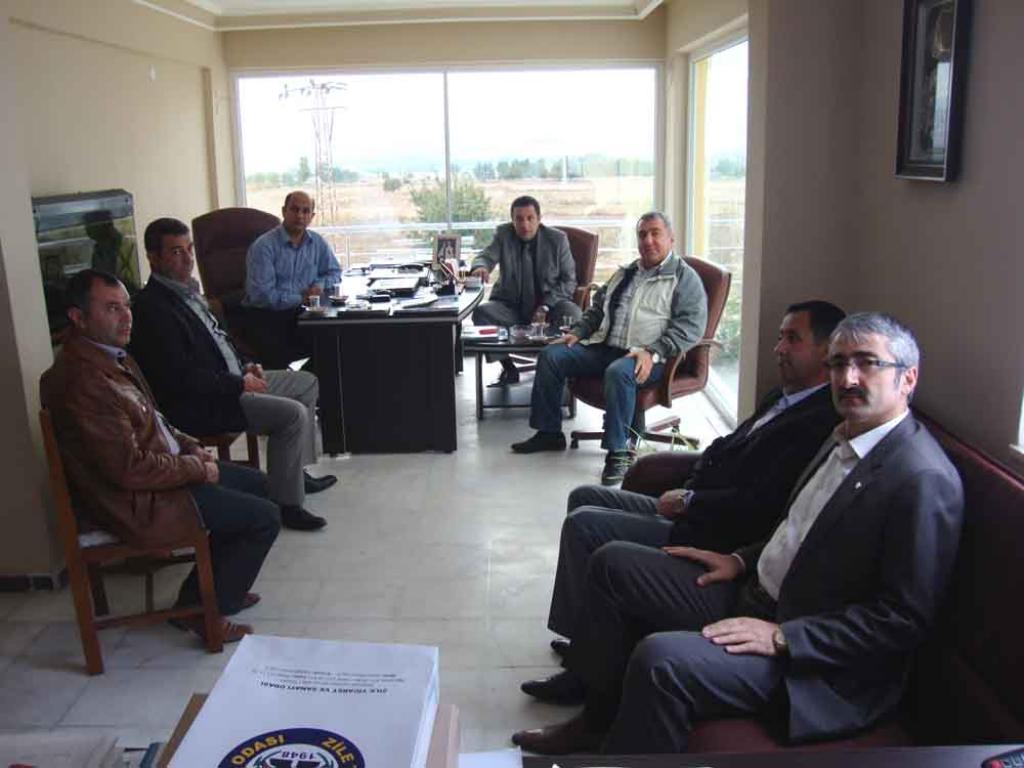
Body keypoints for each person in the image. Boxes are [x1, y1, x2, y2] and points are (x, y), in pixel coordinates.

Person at [511, 312, 964, 754]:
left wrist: (785, 637)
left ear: (908, 378)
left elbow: (901, 620)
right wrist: (741, 559)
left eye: (867, 363)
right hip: (753, 589)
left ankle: (615, 746)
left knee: (659, 659)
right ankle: (593, 720)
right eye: (839, 363)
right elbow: (800, 530)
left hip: (810, 657)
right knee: (613, 564)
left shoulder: (920, 478)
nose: (847, 378)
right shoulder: (844, 434)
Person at [525, 301, 846, 705]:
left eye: (792, 339)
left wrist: (692, 499)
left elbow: (762, 502)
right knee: (583, 497)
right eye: (780, 337)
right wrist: (690, 481)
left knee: (586, 524)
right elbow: (730, 447)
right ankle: (586, 641)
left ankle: (583, 676)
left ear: (826, 351)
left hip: (708, 529)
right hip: (694, 502)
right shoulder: (783, 397)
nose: (778, 348)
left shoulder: (818, 419)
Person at [41, 269, 282, 644]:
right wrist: (196, 469)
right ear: (78, 317)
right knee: (263, 517)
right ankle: (206, 611)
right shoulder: (82, 382)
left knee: (260, 486)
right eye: (111, 308)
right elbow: (128, 470)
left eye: (126, 306)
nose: (126, 317)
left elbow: (155, 420)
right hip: (135, 501)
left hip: (159, 477)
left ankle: (212, 591)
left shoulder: (110, 357)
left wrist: (189, 445)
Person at [129, 218, 333, 532]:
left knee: (306, 384)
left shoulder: (189, 292)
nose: (188, 259)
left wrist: (247, 364)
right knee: (291, 415)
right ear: (153, 258)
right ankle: (287, 505)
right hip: (208, 400)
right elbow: (182, 376)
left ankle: (295, 474)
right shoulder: (152, 309)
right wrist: (239, 382)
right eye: (176, 252)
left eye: (189, 249)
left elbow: (221, 341)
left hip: (233, 380)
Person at [511, 211, 707, 486]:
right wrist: (578, 333)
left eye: (655, 233)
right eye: (642, 235)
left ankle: (618, 452)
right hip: (606, 347)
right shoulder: (625, 273)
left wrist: (652, 351)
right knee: (552, 356)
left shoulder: (684, 278)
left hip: (651, 356)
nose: (648, 240)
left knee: (619, 371)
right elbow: (597, 310)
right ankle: (549, 433)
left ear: (671, 239)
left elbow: (690, 327)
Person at [470, 196, 581, 387]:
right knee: (481, 313)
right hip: (511, 308)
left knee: (573, 313)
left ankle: (557, 366)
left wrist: (546, 306)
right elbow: (485, 256)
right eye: (519, 219)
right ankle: (508, 367)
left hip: (549, 310)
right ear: (512, 220)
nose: (525, 225)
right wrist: (480, 267)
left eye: (530, 218)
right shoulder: (503, 234)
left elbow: (569, 281)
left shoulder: (557, 240)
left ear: (539, 218)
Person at [241, 191, 342, 367]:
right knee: (280, 355)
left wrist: (319, 285)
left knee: (335, 342)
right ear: (284, 211)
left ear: (312, 216)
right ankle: (292, 381)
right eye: (295, 209)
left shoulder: (317, 242)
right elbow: (262, 296)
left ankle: (308, 381)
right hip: (267, 318)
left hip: (300, 315)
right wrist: (302, 298)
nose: (300, 216)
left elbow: (334, 272)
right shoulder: (264, 247)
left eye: (305, 211)